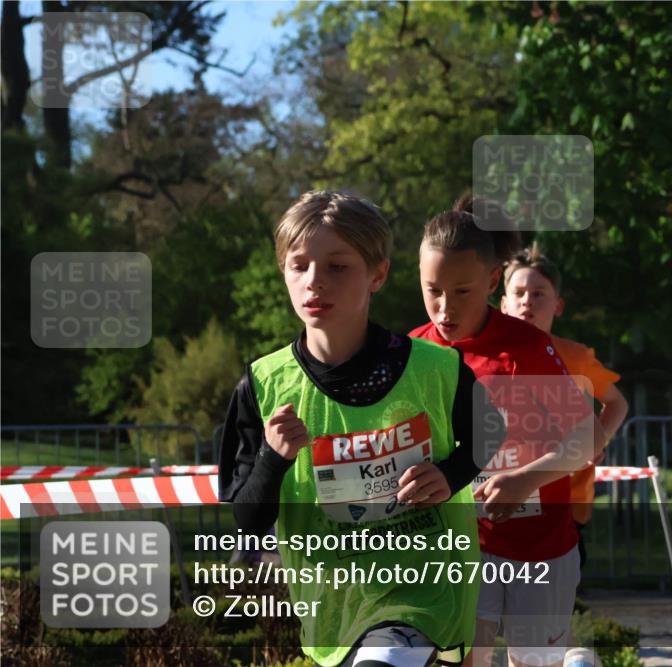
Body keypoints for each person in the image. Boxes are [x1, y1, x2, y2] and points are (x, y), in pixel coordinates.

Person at [218, 191, 503, 667]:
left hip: (424, 588)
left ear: (378, 274)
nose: (314, 281)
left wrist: (450, 474)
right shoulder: (263, 385)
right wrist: (273, 457)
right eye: (299, 265)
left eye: (337, 266)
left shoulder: (436, 368)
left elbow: (491, 430)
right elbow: (247, 521)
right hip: (335, 604)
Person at [410, 196, 607, 667]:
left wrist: (526, 479)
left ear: (492, 280)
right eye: (433, 290)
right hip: (462, 548)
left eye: (462, 291)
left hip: (541, 549)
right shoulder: (413, 351)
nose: (445, 308)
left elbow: (589, 437)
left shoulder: (526, 347)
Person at [500, 244, 629, 568]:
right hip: (499, 500)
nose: (527, 301)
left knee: (552, 597)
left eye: (538, 293)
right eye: (519, 293)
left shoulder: (576, 357)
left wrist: (597, 440)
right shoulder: (484, 356)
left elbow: (617, 403)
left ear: (558, 305)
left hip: (566, 507)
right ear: (503, 303)